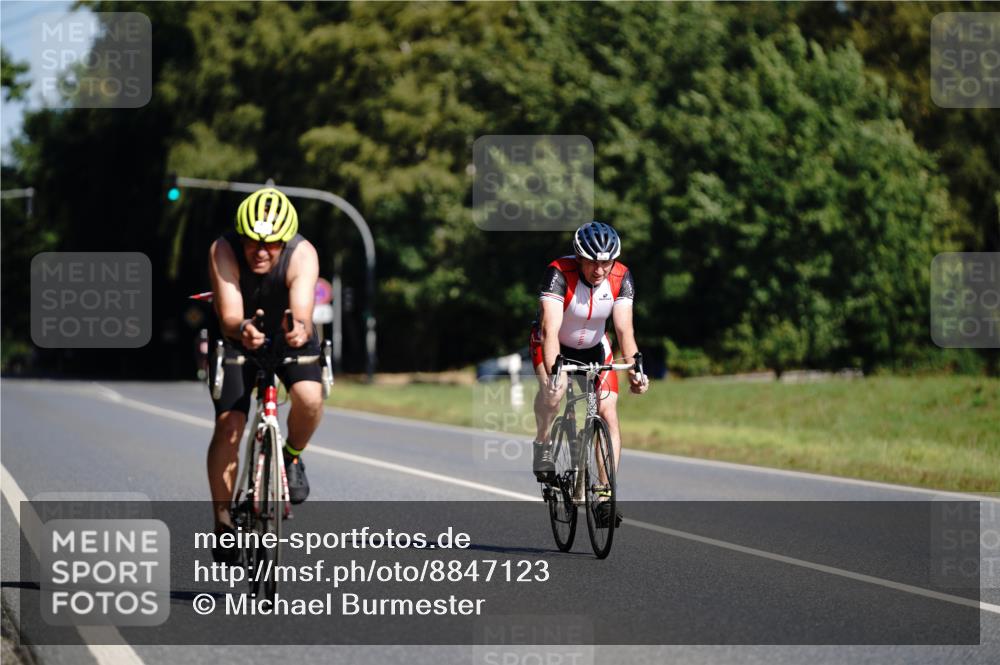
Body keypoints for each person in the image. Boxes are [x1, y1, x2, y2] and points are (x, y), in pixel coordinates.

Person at [206, 187, 323, 562]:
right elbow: (228, 312)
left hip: (288, 333)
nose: (260, 250)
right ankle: (223, 520)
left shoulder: (302, 254)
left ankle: (290, 457)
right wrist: (242, 329)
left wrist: (299, 328)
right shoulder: (223, 250)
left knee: (309, 398)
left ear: (285, 241)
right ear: (240, 237)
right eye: (252, 241)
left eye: (271, 244)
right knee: (229, 425)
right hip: (237, 335)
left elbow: (303, 307)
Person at [529, 221, 648, 526]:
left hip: (596, 347)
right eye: (593, 262)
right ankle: (543, 443)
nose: (600, 269)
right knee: (554, 396)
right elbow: (550, 329)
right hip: (553, 345)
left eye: (606, 262)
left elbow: (624, 329)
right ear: (579, 258)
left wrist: (636, 367)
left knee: (608, 411)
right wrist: (556, 373)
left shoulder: (621, 277)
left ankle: (605, 496)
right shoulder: (558, 273)